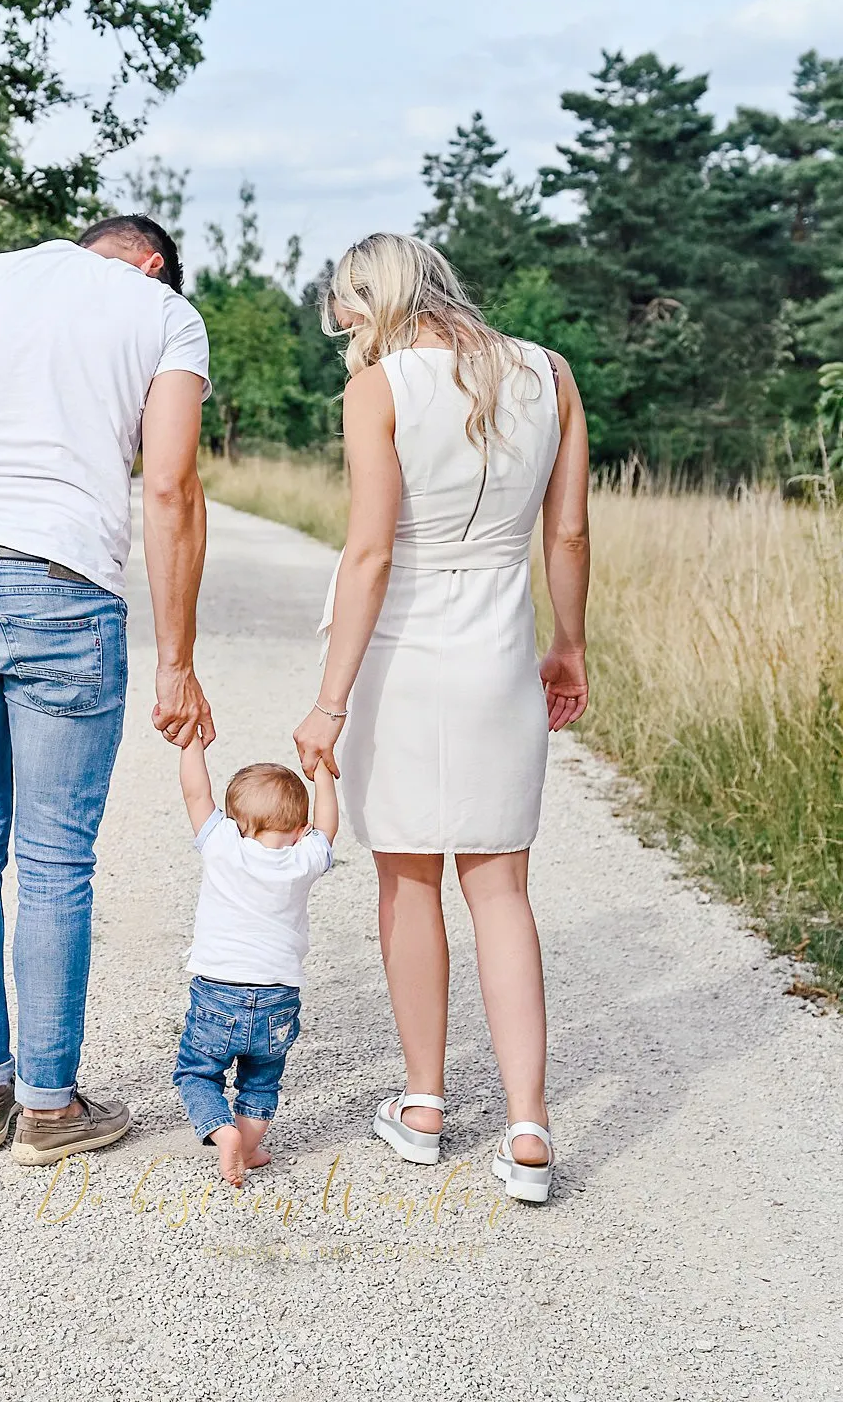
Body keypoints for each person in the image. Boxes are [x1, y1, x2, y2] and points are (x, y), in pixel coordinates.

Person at [0, 215, 215, 1167]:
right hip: (62, 583)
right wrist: (177, 658)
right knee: (55, 857)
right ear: (150, 261)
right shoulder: (164, 312)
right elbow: (172, 488)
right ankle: (52, 1109)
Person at [293, 233, 590, 1204]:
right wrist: (569, 644)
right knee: (502, 889)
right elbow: (570, 528)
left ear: (371, 298)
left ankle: (423, 1106)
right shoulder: (549, 373)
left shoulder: (379, 391)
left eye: (342, 303)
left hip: (404, 659)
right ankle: (530, 1125)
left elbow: (371, 554)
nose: (338, 323)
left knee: (409, 878)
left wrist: (329, 704)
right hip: (501, 652)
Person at [172, 735, 338, 1187]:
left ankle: (220, 1130)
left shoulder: (223, 845)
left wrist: (192, 746)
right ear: (300, 827)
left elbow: (195, 793)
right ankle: (247, 1147)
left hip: (218, 994)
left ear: (234, 819)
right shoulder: (303, 859)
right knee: (260, 1083)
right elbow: (328, 827)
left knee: (197, 1072)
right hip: (278, 999)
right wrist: (321, 769)